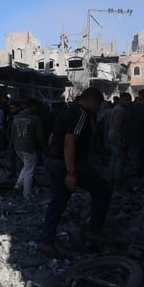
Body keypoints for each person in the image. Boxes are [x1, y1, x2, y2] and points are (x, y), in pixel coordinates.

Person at [39, 88, 112, 258]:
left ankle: (46, 241)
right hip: (66, 163)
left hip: (52, 161)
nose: (97, 109)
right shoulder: (80, 114)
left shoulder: (65, 112)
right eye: (98, 105)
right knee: (103, 190)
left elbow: (52, 138)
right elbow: (69, 142)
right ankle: (94, 232)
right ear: (93, 101)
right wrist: (71, 171)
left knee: (58, 201)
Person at [12, 98, 47, 201]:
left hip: (18, 147)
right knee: (30, 171)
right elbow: (40, 136)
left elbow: (12, 133)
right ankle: (27, 195)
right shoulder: (35, 119)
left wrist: (12, 144)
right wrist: (45, 148)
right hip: (29, 147)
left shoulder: (16, 117)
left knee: (27, 167)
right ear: (33, 107)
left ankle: (18, 186)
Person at [107, 92, 132, 188]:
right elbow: (118, 126)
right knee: (119, 160)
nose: (128, 102)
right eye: (126, 100)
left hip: (112, 136)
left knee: (114, 159)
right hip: (117, 137)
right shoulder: (121, 110)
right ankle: (117, 181)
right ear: (120, 99)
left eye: (129, 100)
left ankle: (111, 179)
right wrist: (122, 140)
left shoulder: (117, 108)